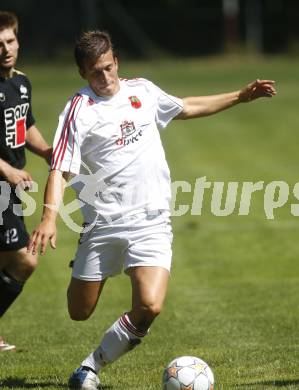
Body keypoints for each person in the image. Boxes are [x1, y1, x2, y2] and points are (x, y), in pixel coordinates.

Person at [27, 30, 276, 389]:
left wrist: (239, 96)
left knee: (150, 305)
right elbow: (60, 169)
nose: (106, 77)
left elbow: (185, 106)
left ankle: (90, 367)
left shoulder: (141, 90)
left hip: (151, 221)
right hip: (103, 225)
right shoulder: (77, 110)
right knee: (79, 312)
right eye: (96, 72)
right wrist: (49, 217)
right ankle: (81, 267)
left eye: (109, 67)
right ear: (83, 73)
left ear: (117, 62)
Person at [0, 11, 52, 352]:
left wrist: (46, 151)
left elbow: (24, 125)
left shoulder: (20, 82)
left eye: (10, 41)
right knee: (24, 260)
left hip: (10, 191)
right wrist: (7, 170)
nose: (5, 49)